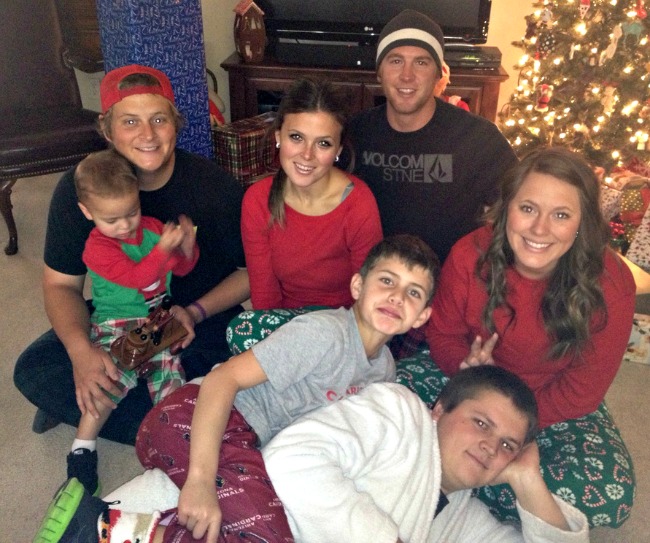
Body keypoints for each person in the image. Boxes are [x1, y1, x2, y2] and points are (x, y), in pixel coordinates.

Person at [34, 234, 438, 543]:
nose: (396, 297)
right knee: (266, 536)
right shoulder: (326, 334)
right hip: (194, 417)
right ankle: (97, 528)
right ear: (358, 286)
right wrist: (200, 480)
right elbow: (222, 380)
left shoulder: (383, 371)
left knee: (236, 527)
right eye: (387, 281)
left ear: (422, 316)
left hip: (245, 446)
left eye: (413, 293)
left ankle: (106, 527)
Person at [14, 64, 249, 445]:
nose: (147, 134)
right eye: (130, 122)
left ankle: (95, 407)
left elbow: (249, 273)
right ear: (107, 130)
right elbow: (60, 286)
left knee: (229, 367)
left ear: (176, 124)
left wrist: (195, 311)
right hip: (120, 317)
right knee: (34, 368)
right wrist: (81, 353)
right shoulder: (80, 188)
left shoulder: (215, 186)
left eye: (159, 119)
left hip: (197, 321)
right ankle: (170, 422)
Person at [426, 146, 636, 427]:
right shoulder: (468, 254)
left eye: (561, 215)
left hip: (553, 406)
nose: (539, 229)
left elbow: (582, 391)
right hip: (471, 383)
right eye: (528, 208)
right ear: (506, 208)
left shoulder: (612, 284)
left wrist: (513, 426)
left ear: (582, 222)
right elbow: (443, 335)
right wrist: (464, 365)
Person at [263, 366, 589, 542]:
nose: (491, 447)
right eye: (481, 423)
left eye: (507, 445)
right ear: (440, 410)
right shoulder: (399, 412)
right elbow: (290, 460)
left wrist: (527, 479)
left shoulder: (463, 517)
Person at [66, 148, 199, 495]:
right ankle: (82, 448)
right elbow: (138, 276)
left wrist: (186, 248)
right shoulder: (97, 247)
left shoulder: (153, 230)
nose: (125, 225)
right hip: (116, 323)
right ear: (87, 212)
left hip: (157, 322)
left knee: (172, 376)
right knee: (110, 380)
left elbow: (180, 269)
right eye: (112, 219)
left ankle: (176, 442)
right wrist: (162, 250)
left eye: (132, 212)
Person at [345, 9, 518, 264]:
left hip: (451, 278)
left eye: (421, 62)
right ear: (379, 71)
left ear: (439, 73)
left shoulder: (478, 138)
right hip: (373, 277)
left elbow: (522, 204)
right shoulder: (356, 132)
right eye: (395, 61)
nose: (407, 75)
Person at [242, 78, 382, 310]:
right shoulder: (257, 200)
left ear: (338, 151)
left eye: (323, 143)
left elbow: (367, 297)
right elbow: (264, 296)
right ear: (278, 137)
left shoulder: (359, 204)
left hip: (344, 319)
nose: (307, 155)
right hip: (283, 319)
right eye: (296, 137)